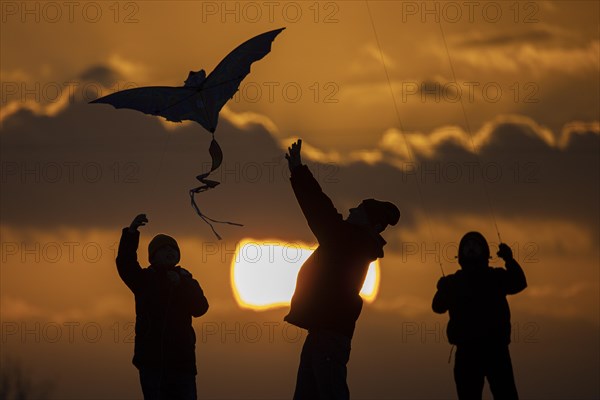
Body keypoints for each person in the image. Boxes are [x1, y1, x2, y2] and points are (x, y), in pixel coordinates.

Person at [284, 139, 400, 400]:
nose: (350, 209)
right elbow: (323, 212)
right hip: (323, 332)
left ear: (371, 222)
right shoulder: (351, 241)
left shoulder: (348, 241)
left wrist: (299, 171)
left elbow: (320, 210)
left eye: (358, 209)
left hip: (328, 334)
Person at [116, 213, 209, 400]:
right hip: (152, 365)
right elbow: (125, 264)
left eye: (172, 248)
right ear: (152, 257)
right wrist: (131, 233)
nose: (169, 251)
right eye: (163, 248)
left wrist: (181, 285)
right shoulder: (144, 281)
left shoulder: (187, 280)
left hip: (182, 365)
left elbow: (200, 308)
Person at [432, 232, 527, 400]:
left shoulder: (494, 277)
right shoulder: (455, 283)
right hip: (475, 353)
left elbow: (519, 283)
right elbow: (438, 307)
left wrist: (509, 260)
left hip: (493, 352)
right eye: (468, 247)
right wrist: (443, 290)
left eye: (475, 246)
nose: (471, 249)